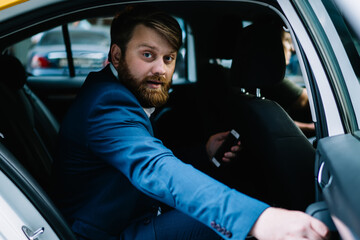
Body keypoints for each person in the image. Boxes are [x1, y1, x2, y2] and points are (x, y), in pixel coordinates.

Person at [52, 6, 329, 240]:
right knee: (239, 222)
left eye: (168, 58)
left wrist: (203, 153)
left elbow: (141, 155)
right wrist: (260, 219)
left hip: (125, 212)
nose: (160, 69)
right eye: (147, 54)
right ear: (116, 55)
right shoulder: (106, 102)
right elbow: (154, 166)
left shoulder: (113, 91)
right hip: (111, 232)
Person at [260, 28, 315, 137]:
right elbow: (308, 100)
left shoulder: (255, 78)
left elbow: (272, 124)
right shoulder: (273, 81)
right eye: (287, 41)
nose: (292, 48)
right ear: (273, 46)